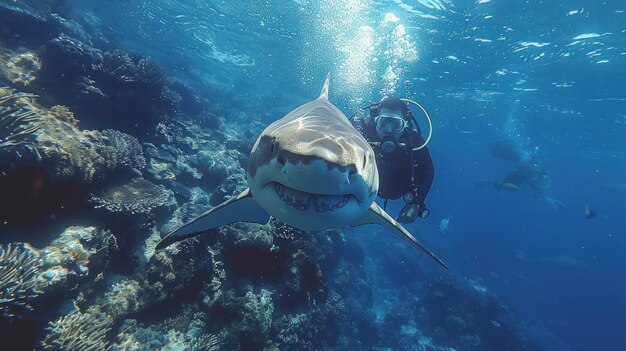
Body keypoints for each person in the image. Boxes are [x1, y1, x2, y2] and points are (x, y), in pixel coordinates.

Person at [352, 97, 434, 223]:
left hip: (401, 189)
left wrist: (417, 203)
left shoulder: (414, 139)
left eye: (396, 124)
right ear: (375, 122)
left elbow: (428, 170)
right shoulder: (364, 132)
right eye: (383, 123)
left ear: (405, 124)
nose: (389, 130)